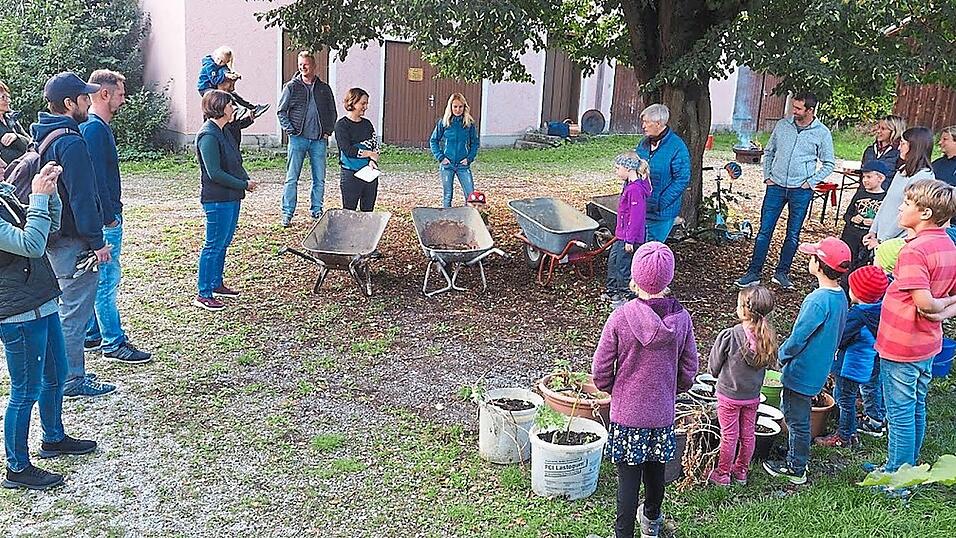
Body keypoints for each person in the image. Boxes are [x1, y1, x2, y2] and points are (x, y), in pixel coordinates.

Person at [1, 161, 98, 490]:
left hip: (41, 299)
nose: (4, 163)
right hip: (18, 312)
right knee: (25, 390)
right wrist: (39, 199)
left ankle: (53, 438)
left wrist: (50, 195)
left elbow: (47, 229)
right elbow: (30, 244)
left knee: (56, 375)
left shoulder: (5, 197)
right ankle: (17, 467)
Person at [591, 242, 698, 538]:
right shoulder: (682, 320)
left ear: (635, 277)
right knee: (656, 472)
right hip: (661, 413)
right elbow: (690, 367)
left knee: (628, 480)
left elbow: (601, 368)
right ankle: (651, 523)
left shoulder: (620, 317)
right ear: (669, 278)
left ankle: (623, 533)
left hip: (627, 414)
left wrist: (614, 390)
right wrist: (672, 389)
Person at [32, 72, 116, 399]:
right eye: (84, 98)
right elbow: (82, 197)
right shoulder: (71, 141)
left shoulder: (46, 135)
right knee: (74, 312)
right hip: (73, 240)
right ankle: (71, 379)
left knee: (66, 308)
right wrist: (97, 243)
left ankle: (67, 370)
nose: (88, 103)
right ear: (69, 103)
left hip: (56, 238)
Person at [874, 179, 956, 473]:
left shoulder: (914, 251)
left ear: (925, 213)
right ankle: (910, 465)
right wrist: (945, 310)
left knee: (899, 414)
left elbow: (924, 303)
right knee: (916, 404)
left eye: (907, 203)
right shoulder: (947, 244)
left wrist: (938, 309)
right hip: (927, 344)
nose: (900, 207)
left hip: (902, 345)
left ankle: (898, 477)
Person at [763, 237, 849, 484]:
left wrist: (781, 356)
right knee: (797, 415)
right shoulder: (840, 296)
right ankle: (795, 450)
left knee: (796, 419)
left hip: (801, 371)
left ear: (819, 266)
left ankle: (796, 467)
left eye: (812, 257)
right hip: (819, 369)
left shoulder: (817, 301)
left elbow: (799, 337)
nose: (809, 260)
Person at [80, 70, 151, 364]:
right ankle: (113, 342)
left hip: (103, 216)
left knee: (98, 279)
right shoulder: (94, 129)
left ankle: (92, 333)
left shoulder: (97, 127)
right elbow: (95, 180)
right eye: (120, 94)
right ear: (104, 94)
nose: (124, 100)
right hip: (105, 220)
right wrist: (109, 218)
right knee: (106, 280)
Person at [737, 92, 836, 290]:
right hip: (776, 186)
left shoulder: (822, 133)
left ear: (810, 110)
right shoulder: (782, 126)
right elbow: (769, 151)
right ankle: (753, 273)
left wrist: (810, 182)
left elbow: (829, 163)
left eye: (798, 108)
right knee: (764, 231)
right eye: (793, 107)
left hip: (801, 190)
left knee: (793, 234)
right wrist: (768, 176)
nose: (794, 111)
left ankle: (782, 273)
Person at [193, 90, 259, 311]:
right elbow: (214, 173)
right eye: (230, 105)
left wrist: (244, 179)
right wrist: (243, 184)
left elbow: (234, 162)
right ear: (219, 108)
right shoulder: (208, 135)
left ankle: (216, 283)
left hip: (231, 197)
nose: (233, 109)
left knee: (223, 242)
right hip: (217, 199)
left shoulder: (225, 131)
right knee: (213, 244)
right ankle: (203, 293)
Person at [707, 285, 778, 487]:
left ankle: (722, 474)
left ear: (745, 310)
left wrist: (715, 375)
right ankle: (741, 472)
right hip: (752, 396)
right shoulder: (767, 337)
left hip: (729, 396)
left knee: (729, 436)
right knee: (747, 435)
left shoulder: (730, 336)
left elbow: (713, 367)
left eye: (739, 305)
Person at [815, 266, 888, 448]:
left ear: (857, 292)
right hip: (871, 360)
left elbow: (840, 338)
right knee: (871, 387)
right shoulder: (881, 308)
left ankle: (845, 436)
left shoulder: (858, 314)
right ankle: (875, 420)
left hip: (851, 365)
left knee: (844, 398)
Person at [277, 50, 337, 227]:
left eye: (306, 64)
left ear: (314, 65)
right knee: (292, 177)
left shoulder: (324, 88)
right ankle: (287, 213)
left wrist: (328, 131)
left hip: (318, 140)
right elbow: (281, 111)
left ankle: (316, 210)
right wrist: (290, 130)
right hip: (298, 139)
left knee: (319, 178)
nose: (303, 67)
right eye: (300, 65)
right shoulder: (291, 87)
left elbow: (332, 112)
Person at [858, 238, 906, 438]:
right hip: (892, 345)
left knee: (870, 381)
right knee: (884, 382)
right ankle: (883, 413)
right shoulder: (900, 287)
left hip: (876, 346)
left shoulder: (880, 291)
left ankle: (874, 420)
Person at [863, 127, 937, 251]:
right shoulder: (902, 171)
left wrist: (882, 241)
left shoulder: (924, 177)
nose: (898, 148)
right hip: (881, 236)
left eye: (903, 144)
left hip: (896, 241)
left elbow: (910, 213)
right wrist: (873, 230)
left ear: (914, 147)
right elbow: (887, 201)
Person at [634, 104, 690, 243]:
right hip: (640, 208)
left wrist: (660, 202)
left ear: (658, 123)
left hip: (661, 214)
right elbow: (635, 169)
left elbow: (682, 179)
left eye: (646, 122)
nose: (643, 126)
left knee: (650, 250)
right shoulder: (643, 144)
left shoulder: (677, 146)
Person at [603, 152, 652, 303]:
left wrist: (630, 240)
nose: (616, 171)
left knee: (623, 266)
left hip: (629, 237)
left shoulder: (635, 190)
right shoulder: (629, 186)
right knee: (613, 262)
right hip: (621, 235)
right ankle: (612, 291)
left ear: (628, 169)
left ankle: (626, 295)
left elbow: (636, 217)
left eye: (618, 168)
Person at [429, 93, 479, 207]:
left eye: (460, 107)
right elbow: (433, 141)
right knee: (448, 195)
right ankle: (447, 216)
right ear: (450, 107)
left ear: (464, 107)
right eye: (455, 106)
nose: (457, 110)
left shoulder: (468, 124)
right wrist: (441, 157)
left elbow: (475, 143)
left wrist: (469, 158)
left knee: (470, 195)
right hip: (447, 165)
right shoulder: (444, 123)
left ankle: (469, 217)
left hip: (463, 165)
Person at [334, 88, 379, 212]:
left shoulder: (367, 124)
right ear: (352, 103)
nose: (366, 107)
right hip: (350, 173)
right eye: (363, 103)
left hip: (369, 173)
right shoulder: (341, 125)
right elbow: (347, 150)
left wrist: (373, 160)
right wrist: (369, 153)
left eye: (366, 103)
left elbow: (375, 145)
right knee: (349, 211)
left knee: (368, 210)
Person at [840, 160, 890, 269]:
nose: (865, 180)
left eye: (869, 177)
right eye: (863, 177)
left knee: (862, 265)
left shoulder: (885, 198)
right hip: (851, 235)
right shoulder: (860, 194)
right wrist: (853, 219)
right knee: (847, 262)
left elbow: (887, 221)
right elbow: (847, 215)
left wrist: (875, 224)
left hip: (867, 238)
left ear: (881, 178)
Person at [196, 46, 268, 116]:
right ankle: (237, 110)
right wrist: (225, 76)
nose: (219, 62)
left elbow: (225, 70)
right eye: (218, 59)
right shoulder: (209, 65)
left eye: (222, 62)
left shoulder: (221, 66)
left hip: (213, 87)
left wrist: (231, 74)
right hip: (205, 88)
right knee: (226, 96)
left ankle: (253, 108)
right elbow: (214, 80)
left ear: (227, 62)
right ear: (215, 54)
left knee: (235, 95)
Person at [862, 115, 905, 189]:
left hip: (887, 193)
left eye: (883, 129)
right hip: (865, 192)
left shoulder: (900, 154)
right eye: (878, 127)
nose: (878, 131)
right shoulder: (870, 150)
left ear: (894, 131)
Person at [0, 80, 32, 172]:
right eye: (3, 97)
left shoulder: (11, 119)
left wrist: (16, 137)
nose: (8, 100)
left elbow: (31, 144)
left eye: (7, 96)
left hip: (24, 170)